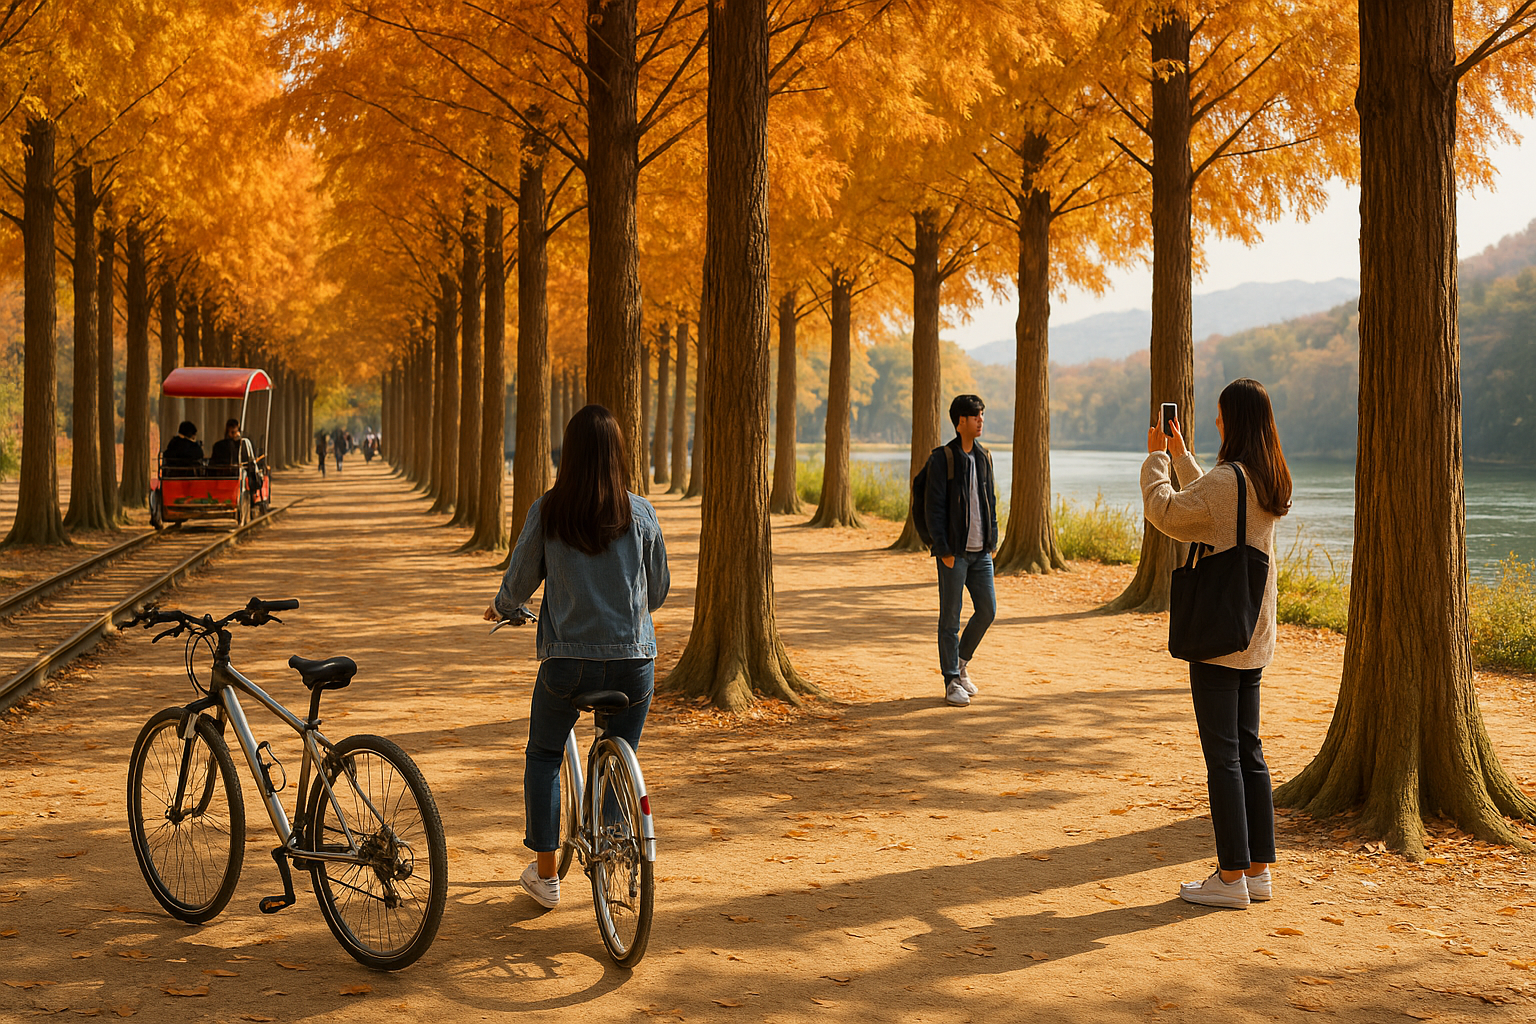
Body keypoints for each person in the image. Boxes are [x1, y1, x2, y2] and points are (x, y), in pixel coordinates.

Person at [483, 404, 669, 910]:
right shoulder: (642, 512)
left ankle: (547, 878)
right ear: (617, 455)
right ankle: (612, 848)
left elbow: (519, 582)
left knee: (544, 753)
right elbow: (657, 593)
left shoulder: (549, 510)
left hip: (568, 665)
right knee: (619, 744)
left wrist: (502, 607)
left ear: (569, 453)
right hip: (635, 664)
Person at [1141, 379, 1290, 909]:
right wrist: (1183, 456)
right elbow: (1220, 511)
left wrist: (1157, 460)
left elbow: (1171, 514)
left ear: (1236, 421)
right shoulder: (1265, 478)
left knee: (1222, 756)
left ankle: (1228, 879)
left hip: (1218, 637)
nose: (1219, 423)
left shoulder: (1230, 480)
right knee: (1249, 750)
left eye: (1223, 415)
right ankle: (1258, 869)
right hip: (1253, 632)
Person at [924, 394, 998, 708]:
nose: (981, 420)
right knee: (950, 619)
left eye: (982, 415)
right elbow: (933, 507)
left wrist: (992, 541)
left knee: (988, 610)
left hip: (981, 552)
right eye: (975, 416)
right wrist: (942, 549)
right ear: (960, 421)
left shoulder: (984, 456)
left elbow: (990, 502)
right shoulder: (942, 458)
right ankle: (951, 680)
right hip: (954, 552)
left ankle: (962, 663)